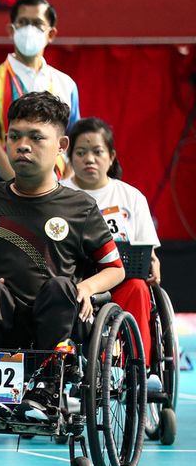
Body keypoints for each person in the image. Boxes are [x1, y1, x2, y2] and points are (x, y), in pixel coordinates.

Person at [0, 92, 124, 430]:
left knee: (62, 286)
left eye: (36, 138)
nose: (23, 146)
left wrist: (86, 289)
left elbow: (114, 269)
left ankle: (48, 390)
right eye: (15, 136)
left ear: (61, 145)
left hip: (56, 319)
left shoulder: (79, 207)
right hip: (1, 318)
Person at [61, 116, 162, 388]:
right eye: (81, 153)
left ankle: (139, 370)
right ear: (69, 157)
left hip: (119, 280)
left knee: (139, 288)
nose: (89, 159)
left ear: (111, 156)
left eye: (97, 152)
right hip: (74, 281)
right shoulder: (60, 193)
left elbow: (146, 248)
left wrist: (153, 259)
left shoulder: (131, 197)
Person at [0, 0, 80, 198]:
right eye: (23, 23)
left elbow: (74, 142)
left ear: (51, 34)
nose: (29, 30)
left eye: (38, 23)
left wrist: (66, 188)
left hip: (56, 185)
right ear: (11, 30)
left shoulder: (66, 84)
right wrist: (20, 188)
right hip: (3, 182)